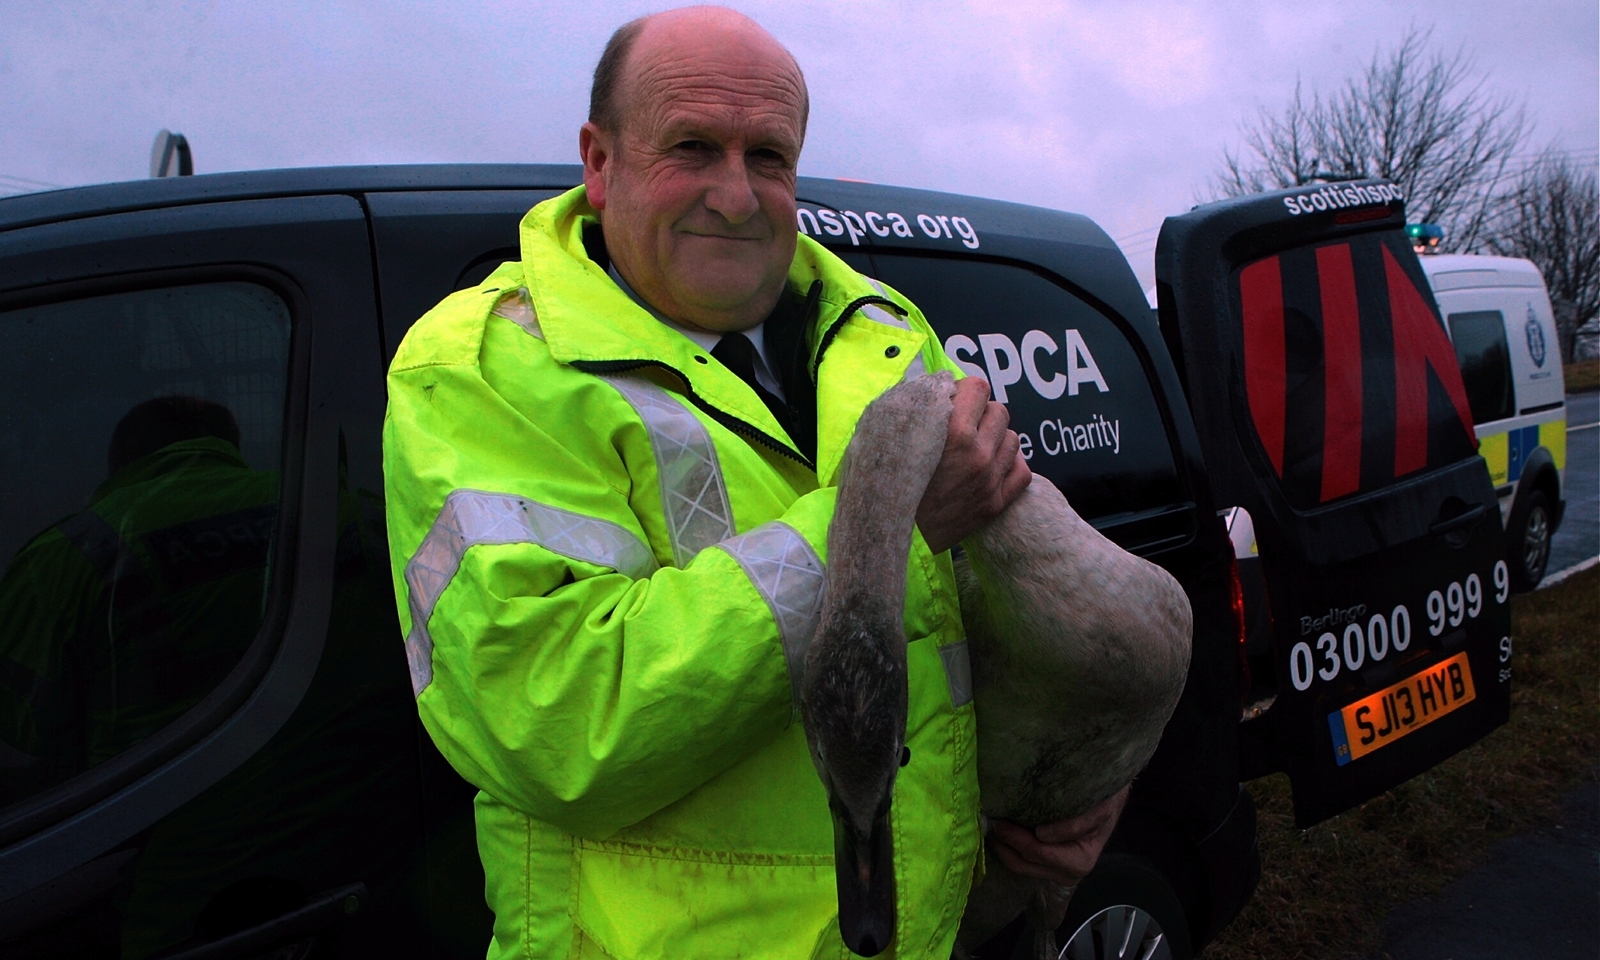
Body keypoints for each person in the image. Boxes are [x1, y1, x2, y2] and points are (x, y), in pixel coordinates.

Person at [382, 8, 1125, 957]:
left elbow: (987, 612)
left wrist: (1081, 780)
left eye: (769, 157)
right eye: (693, 147)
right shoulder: (481, 369)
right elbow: (558, 724)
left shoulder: (885, 335)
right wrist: (877, 524)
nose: (736, 197)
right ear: (600, 163)